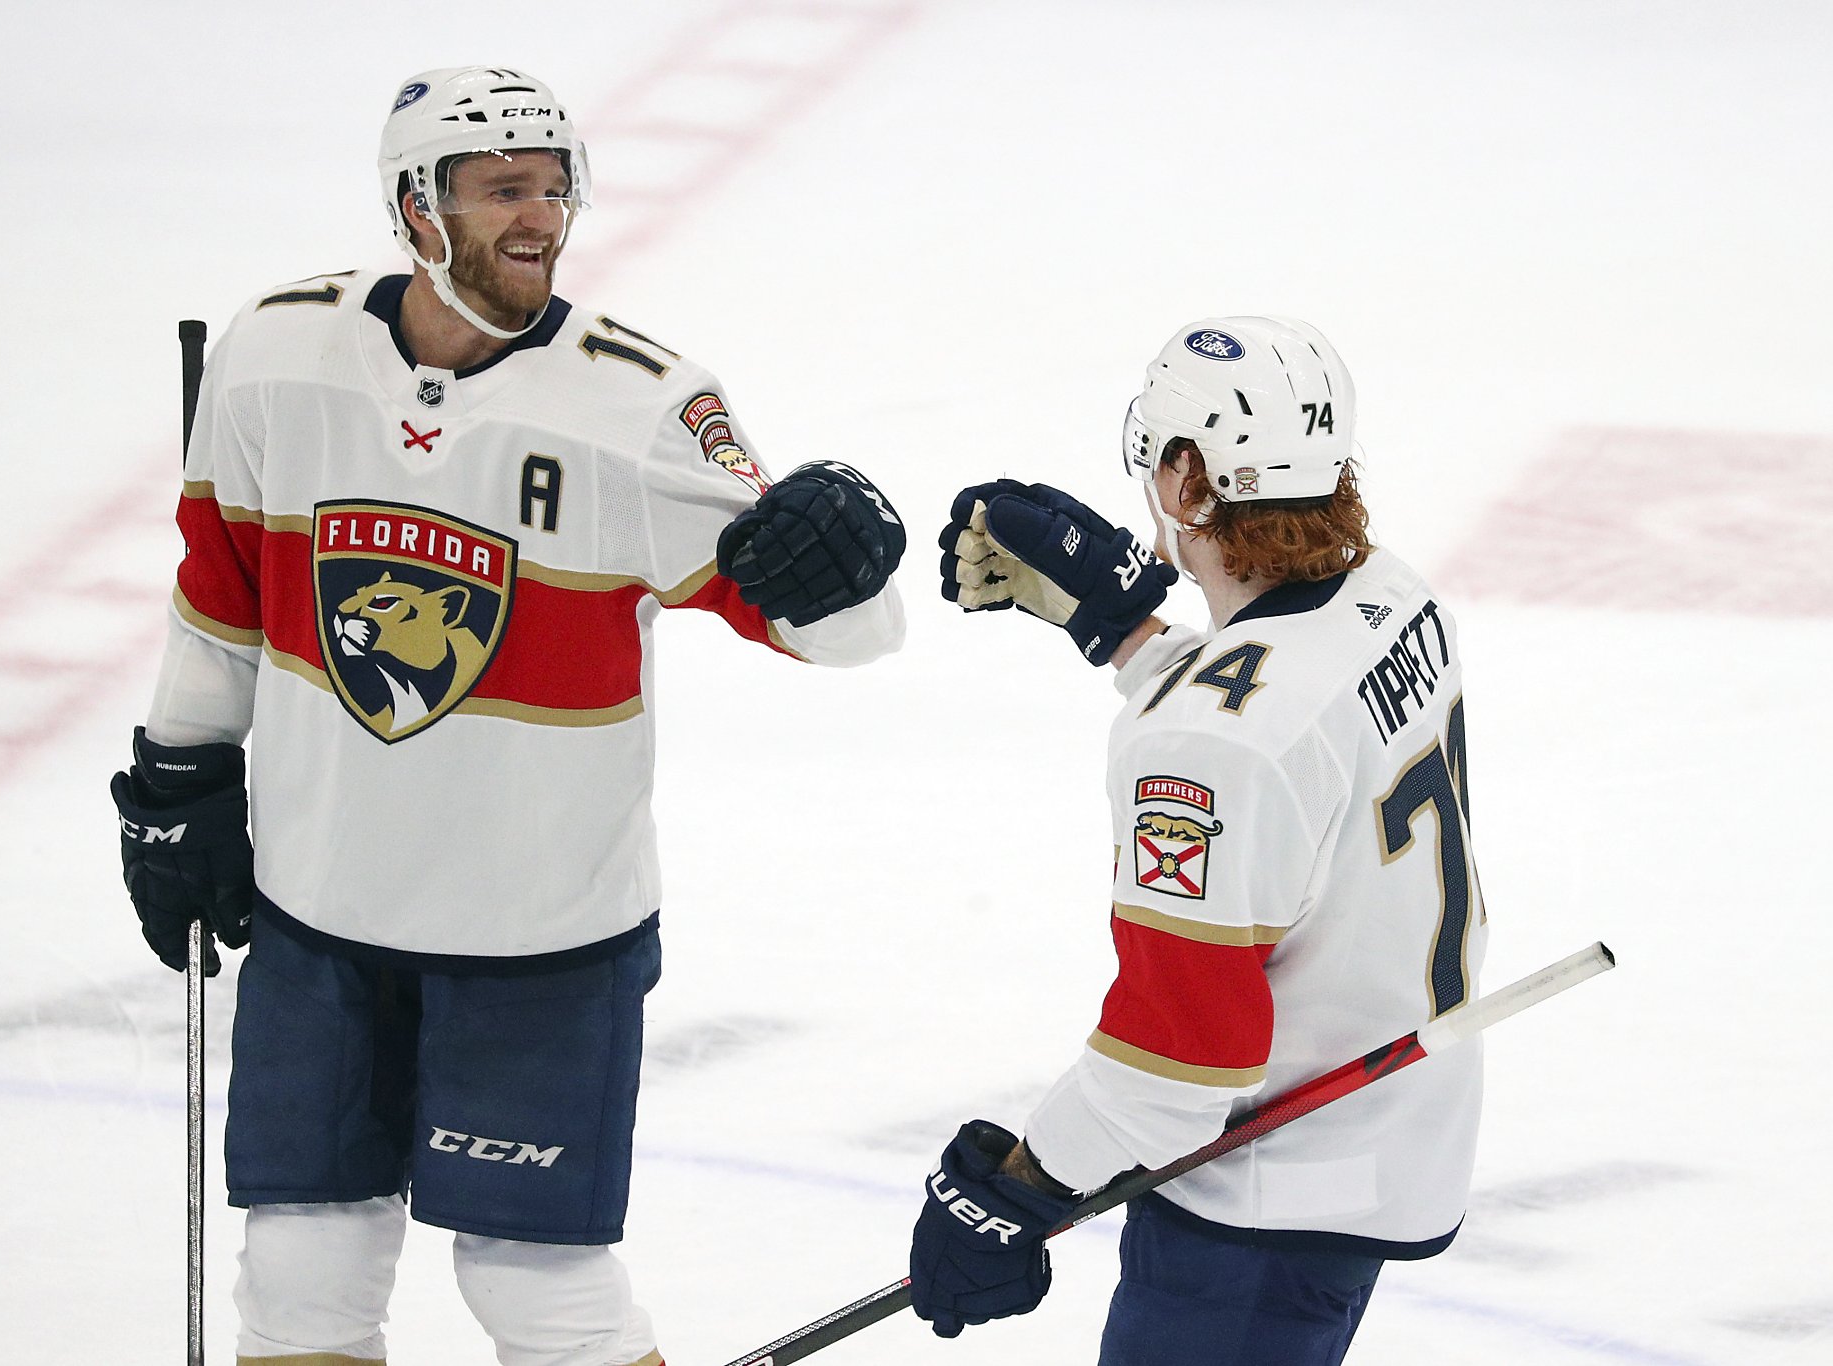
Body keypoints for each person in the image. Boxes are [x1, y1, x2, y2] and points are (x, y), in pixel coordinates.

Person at [108, 66, 906, 1366]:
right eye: (501, 190)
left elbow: (842, 634)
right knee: (300, 1276)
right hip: (325, 914)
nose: (539, 215)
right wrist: (179, 772)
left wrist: (846, 571)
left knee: (540, 1292)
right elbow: (220, 602)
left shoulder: (639, 407)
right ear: (417, 209)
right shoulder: (277, 356)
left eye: (554, 185)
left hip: (544, 940)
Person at [913, 316, 1484, 1364]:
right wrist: (1129, 637)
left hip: (1265, 1203)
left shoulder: (1210, 743)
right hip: (1376, 1137)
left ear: (1186, 478)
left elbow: (1174, 1068)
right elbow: (1290, 760)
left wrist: (1015, 1189)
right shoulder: (1394, 595)